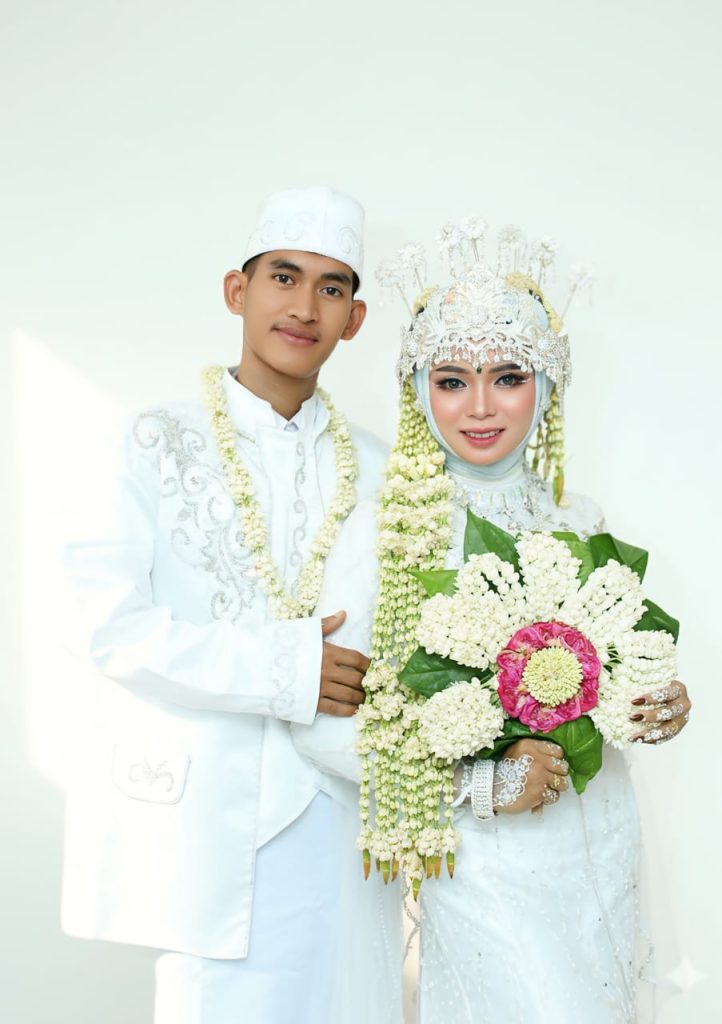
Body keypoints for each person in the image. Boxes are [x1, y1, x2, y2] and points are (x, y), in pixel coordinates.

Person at [292, 220, 691, 1023]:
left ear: (548, 385)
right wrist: (480, 782)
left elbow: (604, 686)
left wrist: (653, 703)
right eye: (451, 380)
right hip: (485, 862)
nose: (479, 407)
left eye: (508, 376)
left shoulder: (580, 519)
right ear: (418, 392)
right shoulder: (385, 531)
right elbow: (319, 727)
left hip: (600, 835)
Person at [60, 185, 403, 1024]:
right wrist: (286, 668)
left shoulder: (384, 470)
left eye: (331, 287)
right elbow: (110, 628)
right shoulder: (152, 441)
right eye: (283, 277)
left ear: (354, 320)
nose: (304, 307)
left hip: (348, 831)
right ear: (236, 291)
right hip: (210, 828)